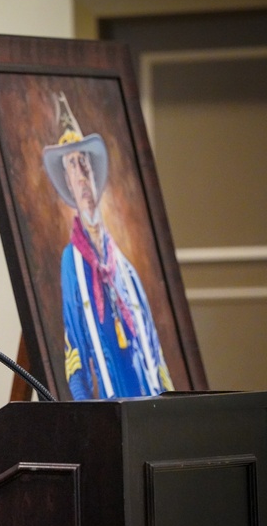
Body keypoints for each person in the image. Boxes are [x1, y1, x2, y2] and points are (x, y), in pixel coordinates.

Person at [42, 92, 174, 401]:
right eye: (73, 166)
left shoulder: (125, 269)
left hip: (147, 406)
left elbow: (156, 355)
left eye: (84, 163)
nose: (82, 174)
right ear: (68, 183)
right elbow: (74, 352)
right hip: (113, 412)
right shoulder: (71, 263)